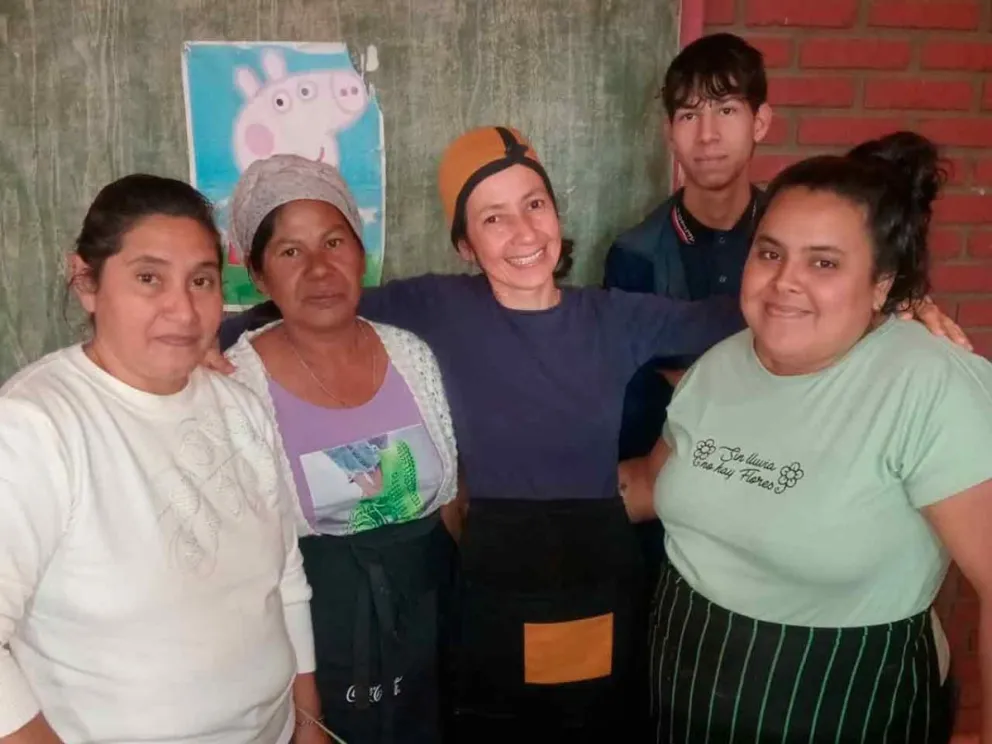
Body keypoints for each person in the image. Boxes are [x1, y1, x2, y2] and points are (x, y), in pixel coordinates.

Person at [215, 126, 746, 741]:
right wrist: (204, 344)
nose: (523, 233)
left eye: (535, 204)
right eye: (493, 218)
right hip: (484, 592)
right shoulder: (435, 309)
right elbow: (310, 305)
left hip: (595, 585)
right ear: (465, 244)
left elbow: (723, 323)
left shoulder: (616, 317)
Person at [622, 132, 992, 743]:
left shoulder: (929, 385)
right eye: (770, 254)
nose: (786, 281)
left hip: (847, 705)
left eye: (823, 263)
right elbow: (647, 484)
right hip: (682, 695)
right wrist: (504, 503)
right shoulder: (720, 365)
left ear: (881, 284)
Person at [0, 175, 323, 743]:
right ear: (86, 282)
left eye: (201, 280)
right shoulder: (36, 427)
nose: (183, 308)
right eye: (149, 278)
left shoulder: (238, 405)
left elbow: (285, 578)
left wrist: (307, 720)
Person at [223, 154, 460, 744]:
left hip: (425, 639)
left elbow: (452, 506)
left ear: (362, 254)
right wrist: (306, 715)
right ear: (258, 275)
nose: (319, 269)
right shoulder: (235, 386)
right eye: (290, 252)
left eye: (334, 242)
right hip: (313, 660)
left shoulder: (412, 356)